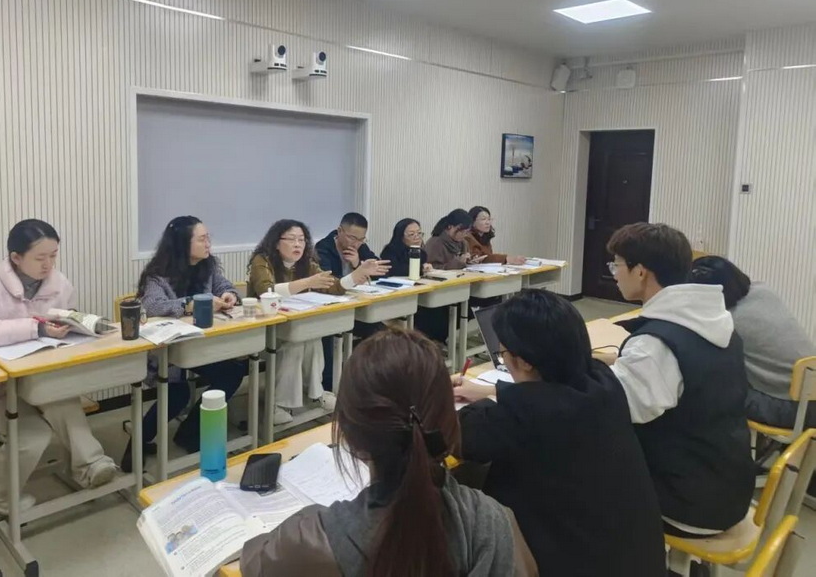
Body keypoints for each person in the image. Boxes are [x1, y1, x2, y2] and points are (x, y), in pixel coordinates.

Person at [240, 329, 538, 577]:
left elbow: (253, 561)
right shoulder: (498, 524)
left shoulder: (309, 539)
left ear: (351, 437)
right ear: (450, 423)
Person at [454, 290, 665, 576]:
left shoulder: (527, 413)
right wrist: (491, 391)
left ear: (525, 361)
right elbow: (542, 400)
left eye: (503, 354)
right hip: (637, 558)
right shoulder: (602, 381)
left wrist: (459, 398)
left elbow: (464, 437)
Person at [0, 219, 119, 513]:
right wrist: (35, 328)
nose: (48, 264)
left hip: (40, 378)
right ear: (16, 258)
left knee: (62, 400)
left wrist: (72, 324)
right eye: (40, 257)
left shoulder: (58, 283)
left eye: (53, 255)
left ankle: (90, 466)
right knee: (31, 436)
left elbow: (64, 315)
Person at [608, 222, 754, 538]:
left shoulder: (655, 345)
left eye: (616, 265)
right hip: (728, 487)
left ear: (640, 272)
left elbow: (615, 409)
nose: (614, 274)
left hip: (686, 502)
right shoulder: (715, 323)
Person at [125, 216, 246, 471]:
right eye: (201, 239)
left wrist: (229, 295)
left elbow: (224, 285)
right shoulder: (158, 275)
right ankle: (136, 444)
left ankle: (191, 432)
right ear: (183, 243)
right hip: (167, 351)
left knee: (233, 372)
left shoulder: (207, 266)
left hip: (200, 346)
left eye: (208, 238)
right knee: (178, 394)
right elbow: (152, 306)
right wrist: (189, 304)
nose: (208, 243)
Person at [248, 219, 387, 424]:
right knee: (296, 344)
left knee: (312, 338)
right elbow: (266, 291)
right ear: (276, 242)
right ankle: (278, 403)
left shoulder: (307, 263)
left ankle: (316, 392)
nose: (298, 245)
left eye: (302, 240)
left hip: (295, 324)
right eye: (292, 239)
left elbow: (333, 286)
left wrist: (357, 274)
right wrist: (307, 282)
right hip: (265, 330)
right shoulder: (262, 260)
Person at [689, 256, 816, 428]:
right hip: (810, 398)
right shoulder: (764, 291)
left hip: (795, 412)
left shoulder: (727, 321)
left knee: (708, 386)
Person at [315, 213, 391, 391]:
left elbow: (382, 270)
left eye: (361, 239)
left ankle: (377, 378)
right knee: (328, 337)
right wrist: (357, 274)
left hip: (355, 307)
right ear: (339, 231)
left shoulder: (361, 248)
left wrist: (357, 263)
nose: (355, 243)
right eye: (351, 238)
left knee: (383, 335)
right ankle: (330, 386)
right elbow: (328, 282)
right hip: (330, 310)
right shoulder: (323, 248)